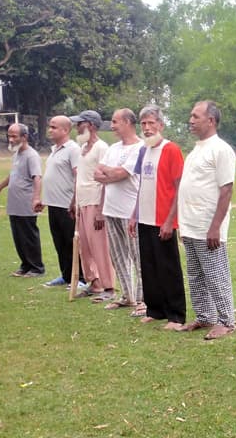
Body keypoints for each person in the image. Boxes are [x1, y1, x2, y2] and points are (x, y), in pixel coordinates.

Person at [176, 101, 236, 339]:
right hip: (191, 224)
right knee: (195, 273)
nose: (191, 120)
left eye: (196, 116)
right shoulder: (196, 150)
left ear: (210, 120)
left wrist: (215, 226)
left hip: (207, 225)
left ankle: (226, 320)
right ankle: (205, 316)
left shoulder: (221, 149)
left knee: (215, 272)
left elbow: (226, 190)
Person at [131, 105, 187, 331]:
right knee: (149, 265)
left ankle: (176, 314)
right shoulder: (144, 150)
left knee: (168, 267)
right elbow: (141, 184)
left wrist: (170, 220)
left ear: (161, 125)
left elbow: (179, 186)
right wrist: (133, 215)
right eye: (143, 123)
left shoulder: (171, 149)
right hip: (144, 217)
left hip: (163, 219)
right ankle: (155, 309)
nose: (146, 127)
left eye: (151, 123)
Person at [94, 108, 145, 316]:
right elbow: (98, 173)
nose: (112, 126)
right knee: (117, 255)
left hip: (130, 210)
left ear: (127, 122)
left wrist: (113, 172)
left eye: (115, 122)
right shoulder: (113, 148)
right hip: (111, 209)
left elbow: (122, 173)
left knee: (137, 255)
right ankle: (127, 296)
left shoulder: (140, 148)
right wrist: (112, 174)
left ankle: (143, 299)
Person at [70, 110, 115, 301]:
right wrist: (73, 201)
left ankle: (109, 286)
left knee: (99, 246)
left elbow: (105, 180)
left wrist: (100, 211)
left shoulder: (101, 148)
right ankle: (94, 282)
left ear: (91, 125)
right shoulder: (82, 148)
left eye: (81, 123)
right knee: (85, 246)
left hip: (96, 201)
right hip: (82, 201)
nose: (77, 127)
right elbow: (79, 176)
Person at [0, 124, 45, 278]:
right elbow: (13, 175)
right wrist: (0, 186)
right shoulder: (16, 155)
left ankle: (36, 267)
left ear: (25, 137)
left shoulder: (31, 155)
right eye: (9, 136)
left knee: (29, 235)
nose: (11, 139)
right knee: (18, 236)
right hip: (14, 203)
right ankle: (25, 265)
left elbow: (37, 177)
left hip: (26, 202)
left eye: (14, 136)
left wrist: (36, 197)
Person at [39, 116, 81, 288]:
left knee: (72, 242)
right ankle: (66, 275)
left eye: (54, 127)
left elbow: (78, 175)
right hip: (53, 204)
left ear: (65, 130)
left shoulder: (72, 149)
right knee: (59, 242)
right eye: (50, 127)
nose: (50, 130)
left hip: (66, 204)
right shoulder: (55, 149)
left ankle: (81, 277)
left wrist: (74, 201)